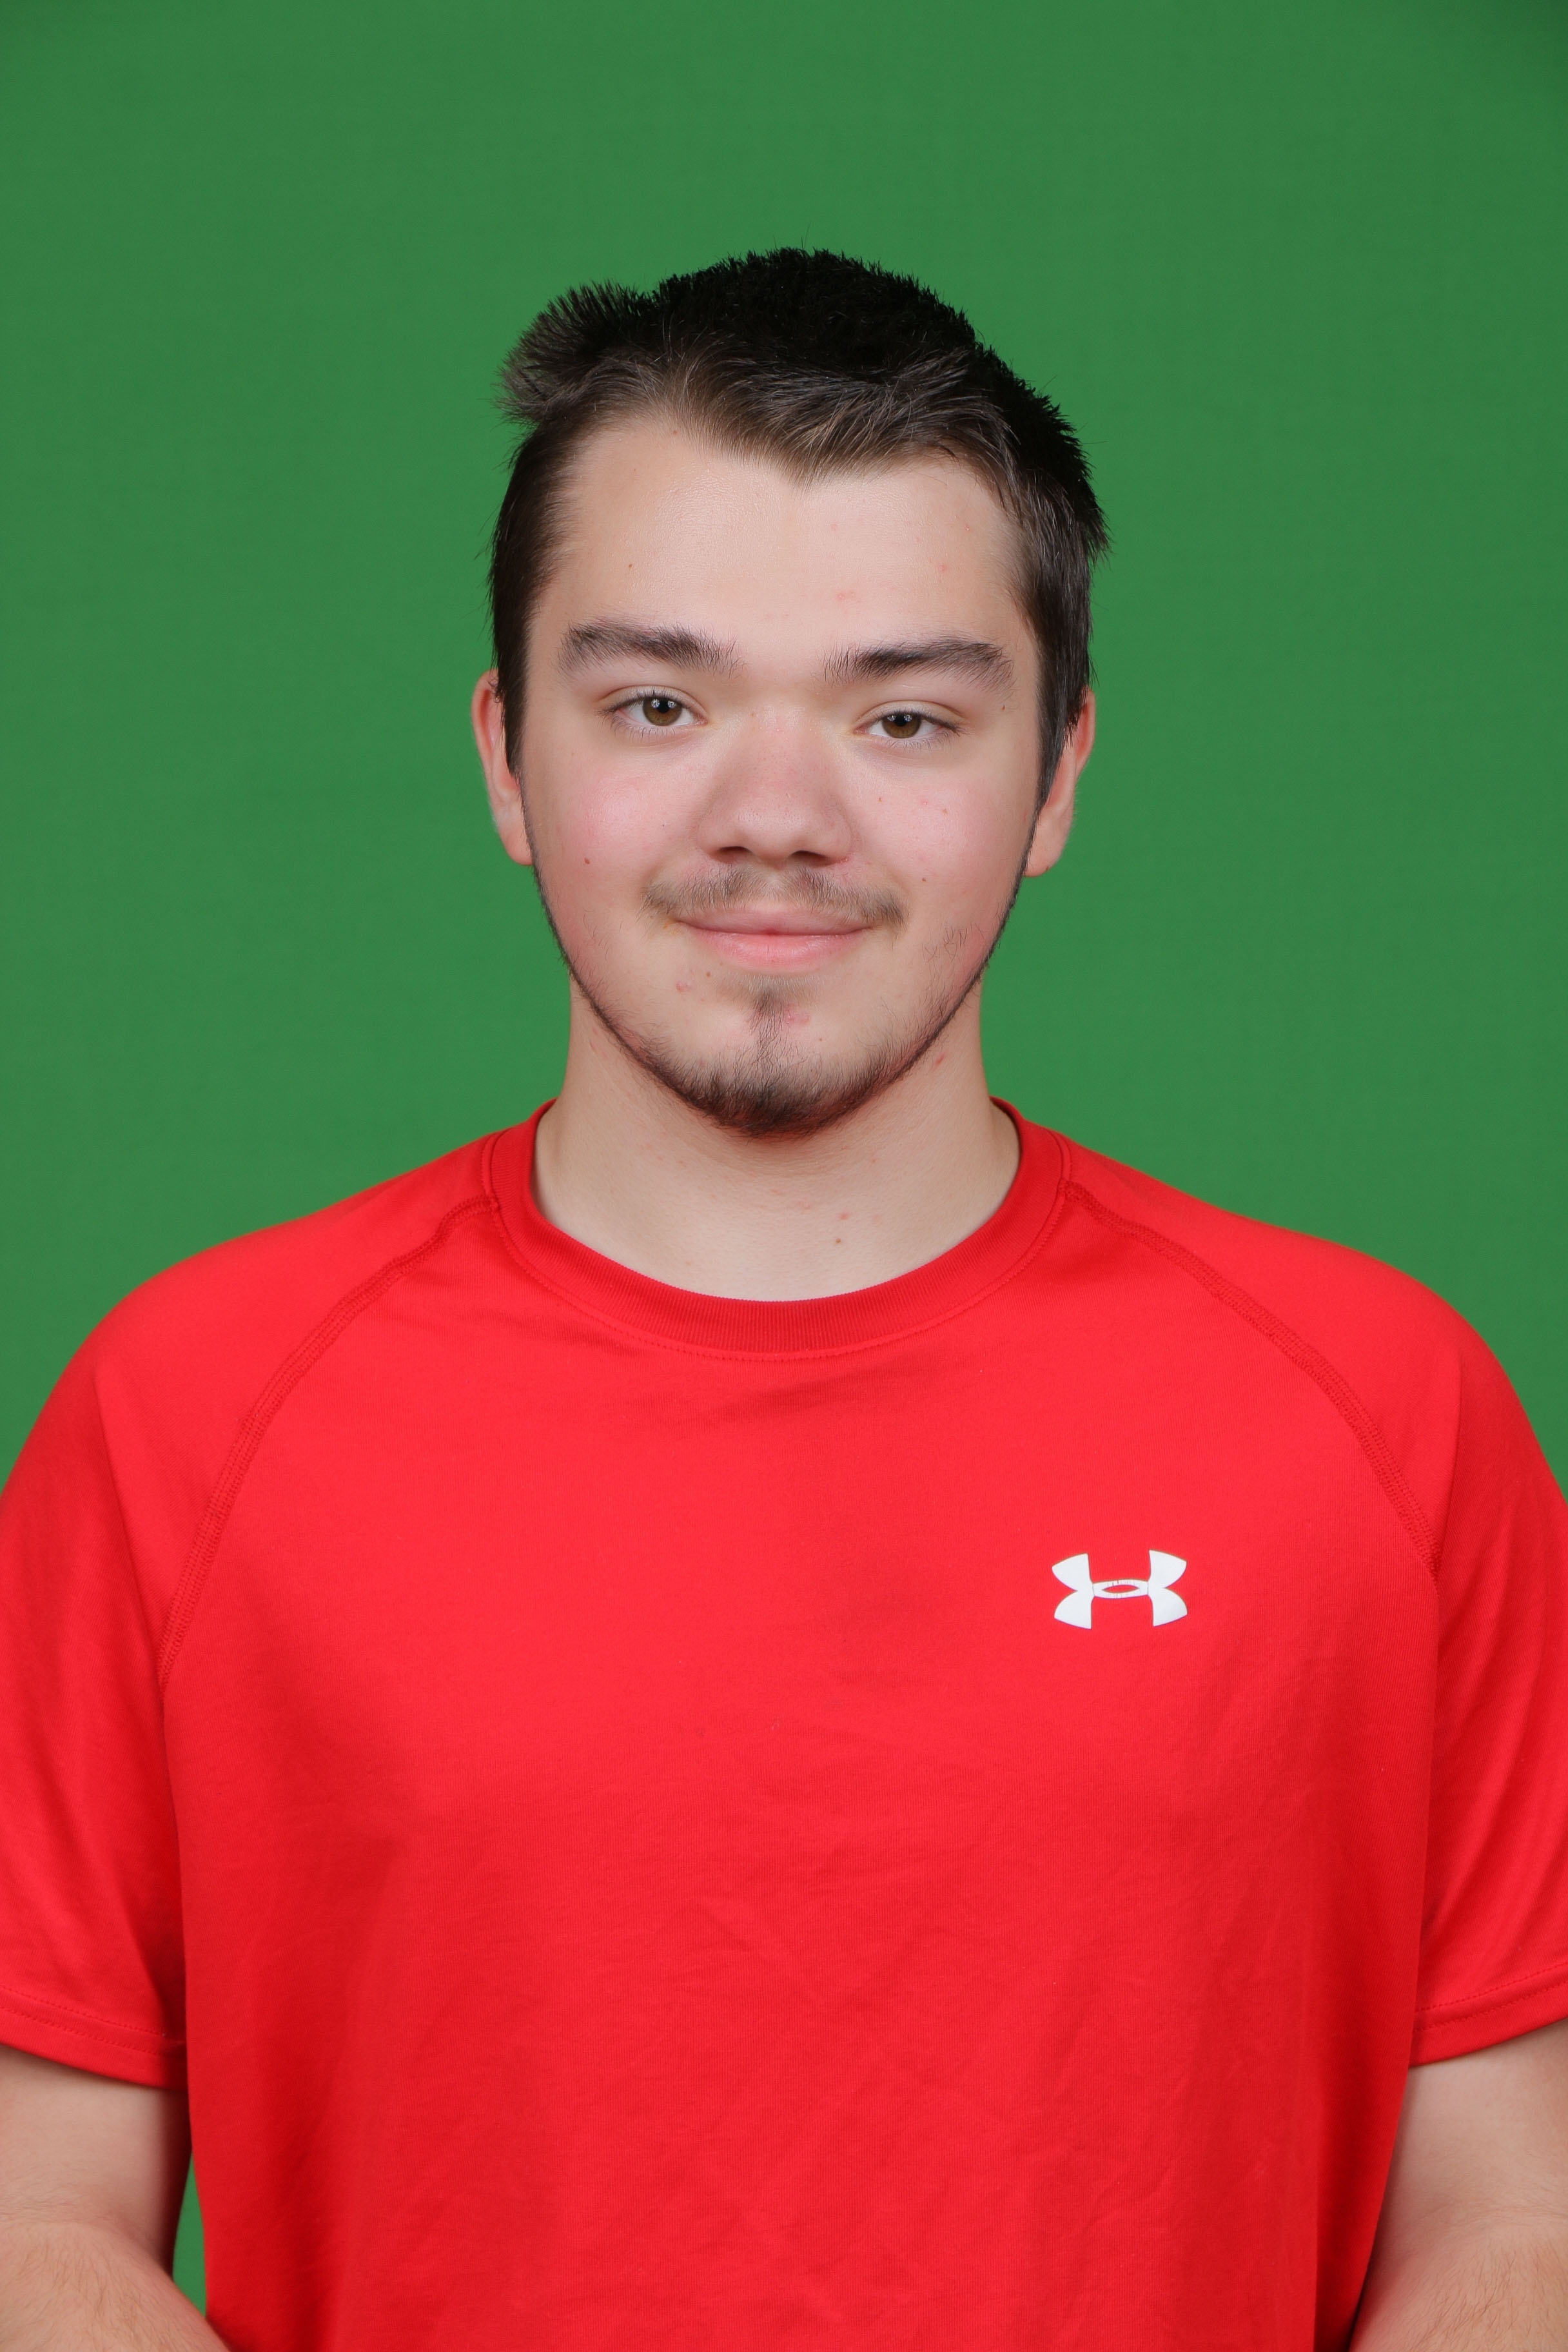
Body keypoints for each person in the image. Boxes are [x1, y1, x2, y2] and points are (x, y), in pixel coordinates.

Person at [1, 249, 1565, 2352]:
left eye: (905, 717)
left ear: (1060, 773)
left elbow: (1514, 2218)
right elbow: (35, 2221)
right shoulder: (185, 1414)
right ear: (506, 757)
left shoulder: (1384, 1417)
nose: (775, 821)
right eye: (658, 705)